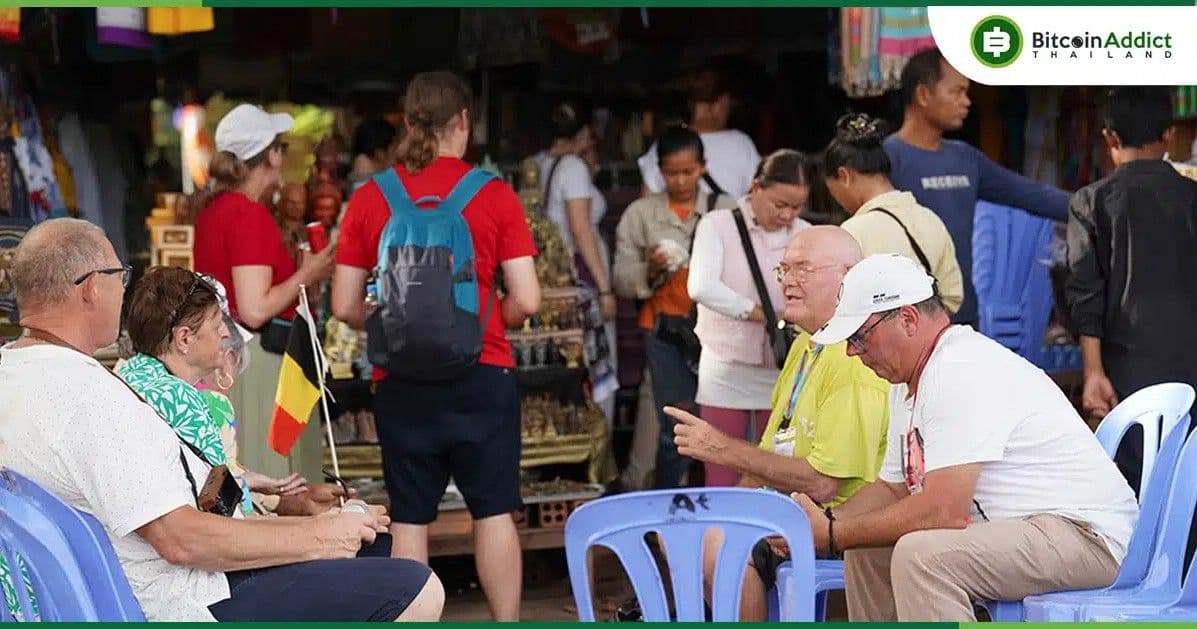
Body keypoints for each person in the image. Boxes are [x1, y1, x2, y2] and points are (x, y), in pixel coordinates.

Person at [0, 218, 443, 622]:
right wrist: (322, 535)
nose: (123, 290)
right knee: (417, 587)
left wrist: (292, 511)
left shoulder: (14, 371)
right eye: (121, 277)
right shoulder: (89, 396)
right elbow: (180, 540)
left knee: (372, 548)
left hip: (133, 585)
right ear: (92, 288)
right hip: (184, 600)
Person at [789, 253, 1137, 622]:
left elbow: (944, 511)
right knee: (866, 548)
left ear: (907, 319)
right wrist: (818, 525)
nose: (851, 351)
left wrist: (831, 534)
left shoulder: (958, 369)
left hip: (1087, 538)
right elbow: (892, 489)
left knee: (921, 557)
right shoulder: (909, 377)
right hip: (1031, 530)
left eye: (860, 336)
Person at [331, 71, 541, 622]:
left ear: (406, 121)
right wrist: (489, 318)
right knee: (493, 512)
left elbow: (346, 306)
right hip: (484, 371)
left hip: (401, 382)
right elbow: (528, 297)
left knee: (410, 517)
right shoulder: (493, 194)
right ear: (465, 122)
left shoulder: (371, 198)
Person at [671, 225, 889, 620]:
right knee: (681, 532)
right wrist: (731, 504)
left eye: (803, 269)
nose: (788, 281)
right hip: (790, 513)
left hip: (840, 522)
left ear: (849, 275)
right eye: (784, 270)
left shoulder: (853, 357)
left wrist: (721, 448)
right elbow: (769, 460)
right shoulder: (807, 344)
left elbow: (823, 482)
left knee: (720, 546)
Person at [193, 104, 335, 483]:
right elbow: (255, 309)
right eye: (281, 148)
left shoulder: (214, 211)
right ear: (271, 155)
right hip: (259, 361)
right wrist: (309, 270)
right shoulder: (248, 214)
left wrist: (303, 277)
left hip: (229, 359)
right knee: (272, 480)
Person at [1066, 86, 1197, 495]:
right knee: (1187, 484)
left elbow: (1085, 293)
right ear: (1169, 135)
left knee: (1134, 489)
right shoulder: (1193, 197)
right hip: (1191, 367)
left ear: (1110, 139)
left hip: (1125, 374)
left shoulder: (1091, 201)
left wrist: (1092, 372)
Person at [884, 47, 1070, 325]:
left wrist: (1098, 205)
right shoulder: (888, 158)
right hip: (906, 318)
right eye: (957, 92)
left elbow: (1031, 195)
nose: (967, 102)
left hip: (962, 314)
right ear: (923, 95)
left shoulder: (965, 158)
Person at [613, 125, 736, 488]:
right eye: (671, 173)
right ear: (659, 171)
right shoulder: (641, 215)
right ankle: (672, 511)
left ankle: (717, 501)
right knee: (674, 430)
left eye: (688, 171)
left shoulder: (726, 211)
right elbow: (621, 278)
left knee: (724, 424)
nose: (680, 181)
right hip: (664, 331)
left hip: (718, 333)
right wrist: (649, 270)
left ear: (703, 167)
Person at [686, 149, 812, 486]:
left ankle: (772, 539)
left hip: (783, 368)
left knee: (778, 471)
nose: (788, 215)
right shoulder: (717, 225)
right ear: (756, 187)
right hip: (726, 366)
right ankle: (721, 538)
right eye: (779, 204)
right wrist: (758, 314)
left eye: (796, 206)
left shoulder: (806, 232)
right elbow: (701, 286)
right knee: (721, 468)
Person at [823, 112, 963, 315]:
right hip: (929, 342)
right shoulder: (930, 219)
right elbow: (952, 295)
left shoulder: (851, 233)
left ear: (844, 176)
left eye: (831, 191)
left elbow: (838, 306)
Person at [534, 102, 617, 321]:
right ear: (582, 133)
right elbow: (581, 230)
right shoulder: (573, 168)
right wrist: (605, 289)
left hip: (555, 264)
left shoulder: (542, 162)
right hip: (580, 266)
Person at [637, 66, 761, 199]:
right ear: (721, 100)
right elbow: (757, 196)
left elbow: (647, 199)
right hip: (726, 218)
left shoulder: (668, 143)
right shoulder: (742, 144)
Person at [348, 117, 398, 192]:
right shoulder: (382, 190)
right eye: (394, 149)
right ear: (379, 154)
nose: (399, 155)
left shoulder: (351, 183)